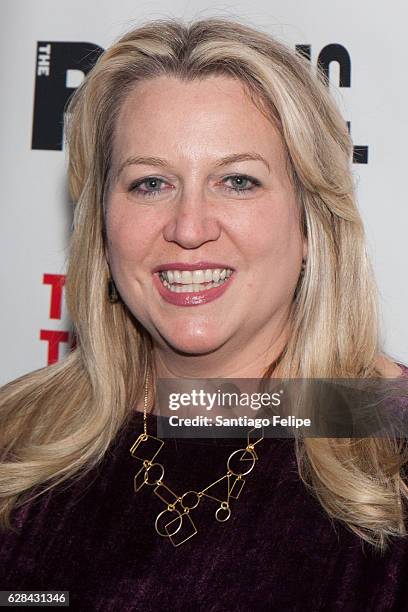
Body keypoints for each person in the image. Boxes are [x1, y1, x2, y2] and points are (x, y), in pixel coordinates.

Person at [1, 16, 408, 611]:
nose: (189, 229)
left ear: (310, 224)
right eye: (149, 184)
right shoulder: (18, 434)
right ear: (101, 227)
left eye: (238, 181)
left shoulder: (389, 434)